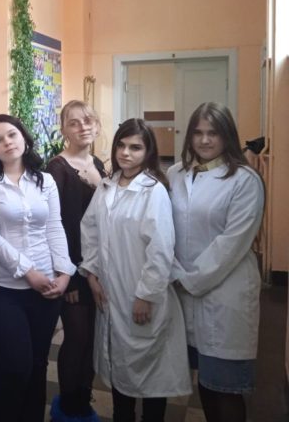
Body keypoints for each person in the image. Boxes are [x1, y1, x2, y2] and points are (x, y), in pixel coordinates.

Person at [80, 118, 191, 422]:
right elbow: (90, 231)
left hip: (142, 294)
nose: (126, 153)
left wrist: (146, 295)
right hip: (110, 292)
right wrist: (92, 275)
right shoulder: (107, 186)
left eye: (135, 147)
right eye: (121, 145)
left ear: (148, 151)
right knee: (120, 372)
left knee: (152, 377)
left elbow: (161, 248)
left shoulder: (153, 191)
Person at [0, 114, 75, 422]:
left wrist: (65, 273)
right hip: (3, 288)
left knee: (39, 364)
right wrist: (27, 271)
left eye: (12, 135)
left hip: (47, 287)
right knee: (14, 368)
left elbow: (55, 226)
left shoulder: (45, 180)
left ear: (24, 138)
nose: (7, 142)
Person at [168, 103, 264, 422]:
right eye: (198, 132)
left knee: (226, 389)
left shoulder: (244, 180)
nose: (205, 140)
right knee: (205, 385)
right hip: (183, 292)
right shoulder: (176, 174)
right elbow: (162, 227)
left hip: (225, 293)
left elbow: (232, 243)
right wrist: (175, 272)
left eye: (213, 133)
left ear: (227, 136)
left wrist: (188, 279)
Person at [45, 101, 106, 422]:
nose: (82, 126)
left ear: (96, 125)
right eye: (74, 122)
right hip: (73, 271)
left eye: (87, 120)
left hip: (98, 267)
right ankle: (69, 406)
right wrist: (65, 274)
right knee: (77, 338)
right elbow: (57, 226)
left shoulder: (98, 164)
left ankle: (84, 398)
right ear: (64, 130)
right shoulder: (57, 169)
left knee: (92, 339)